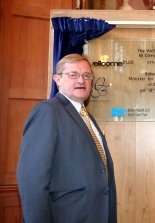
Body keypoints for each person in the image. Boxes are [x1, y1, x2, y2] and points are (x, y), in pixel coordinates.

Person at [17, 54, 117, 223]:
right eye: (73, 75)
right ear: (58, 80)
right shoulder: (47, 111)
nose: (81, 80)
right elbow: (32, 180)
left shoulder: (88, 118)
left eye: (87, 75)